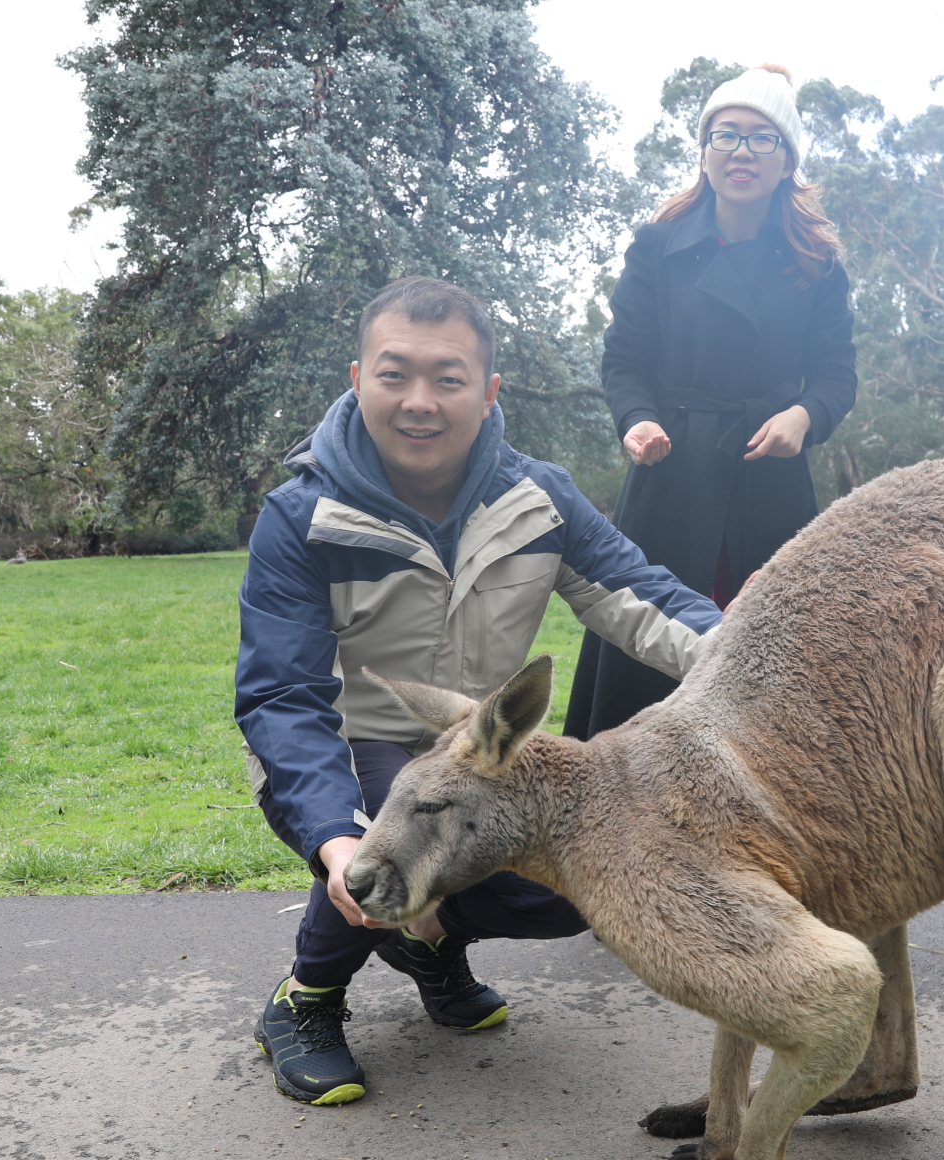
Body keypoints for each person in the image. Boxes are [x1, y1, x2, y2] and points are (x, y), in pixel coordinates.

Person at [237, 276, 724, 1106]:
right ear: (357, 379)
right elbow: (283, 697)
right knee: (394, 822)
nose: (419, 401)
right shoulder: (302, 516)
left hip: (473, 748)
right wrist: (332, 839)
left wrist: (749, 656)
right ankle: (306, 997)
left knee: (590, 872)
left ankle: (424, 936)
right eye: (394, 374)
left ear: (488, 391)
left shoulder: (541, 499)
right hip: (341, 745)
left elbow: (643, 598)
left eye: (448, 378)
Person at [562, 64, 857, 741]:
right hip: (673, 480)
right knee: (645, 657)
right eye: (726, 134)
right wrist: (636, 420)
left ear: (788, 160)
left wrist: (803, 418)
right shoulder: (658, 247)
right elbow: (625, 360)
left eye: (761, 138)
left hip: (770, 482)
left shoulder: (817, 262)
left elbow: (837, 376)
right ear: (704, 151)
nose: (742, 151)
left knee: (772, 667)